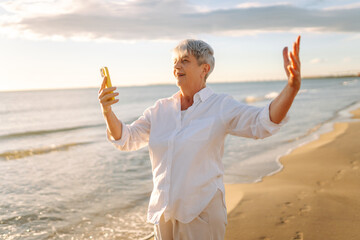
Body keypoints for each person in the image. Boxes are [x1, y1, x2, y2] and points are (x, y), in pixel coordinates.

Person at [98, 36, 301, 240]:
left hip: (201, 214)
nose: (177, 65)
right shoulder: (160, 109)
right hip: (163, 215)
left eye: (184, 60)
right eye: (175, 61)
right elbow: (126, 138)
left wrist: (291, 88)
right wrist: (107, 111)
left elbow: (262, 122)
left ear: (204, 69)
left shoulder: (220, 106)